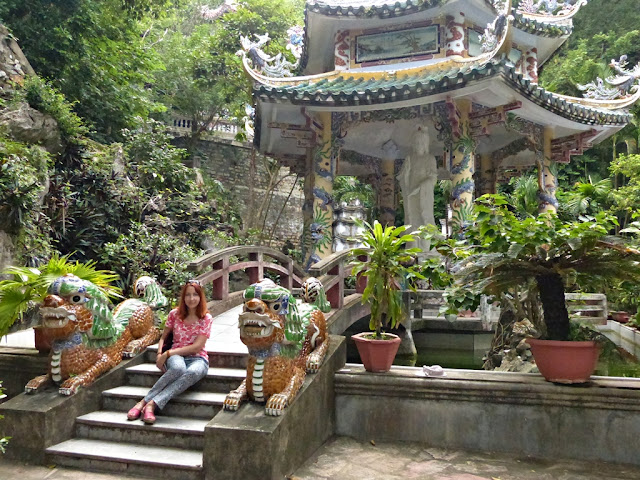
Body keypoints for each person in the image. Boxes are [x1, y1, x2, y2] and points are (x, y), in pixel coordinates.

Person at [127, 280, 212, 424]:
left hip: (198, 358)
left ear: (200, 297)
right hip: (176, 356)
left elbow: (196, 347)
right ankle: (143, 403)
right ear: (183, 298)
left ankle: (150, 403)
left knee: (192, 372)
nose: (191, 299)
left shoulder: (206, 318)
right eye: (188, 295)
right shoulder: (175, 314)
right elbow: (163, 337)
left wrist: (168, 354)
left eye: (195, 295)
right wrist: (160, 354)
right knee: (178, 368)